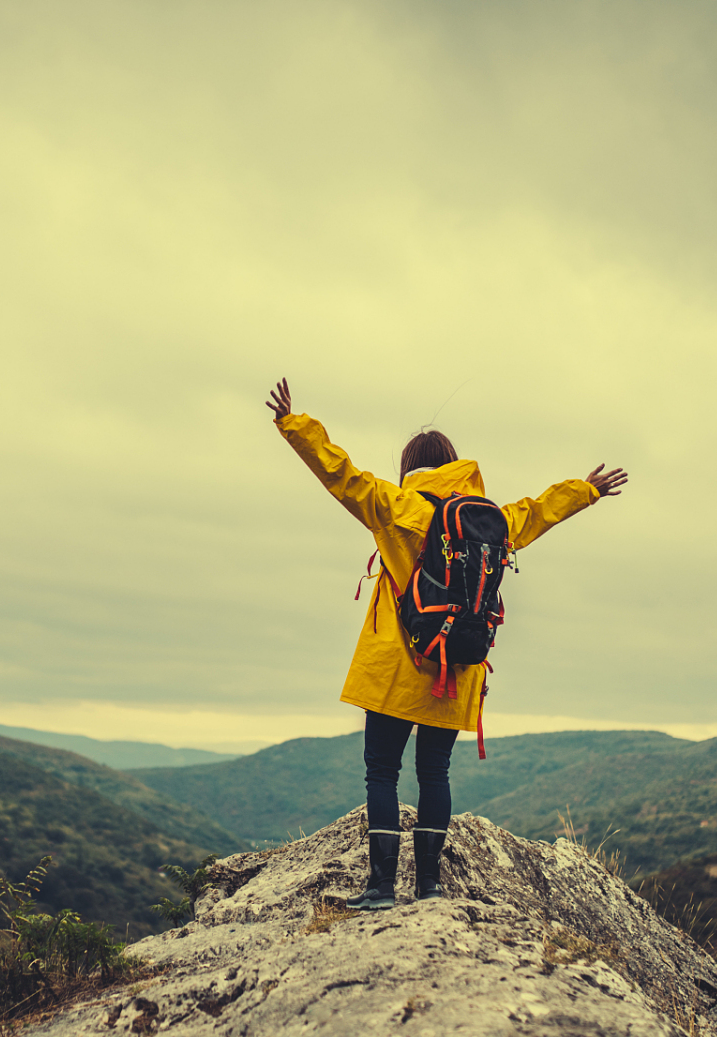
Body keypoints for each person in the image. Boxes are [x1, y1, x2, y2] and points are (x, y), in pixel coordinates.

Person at [266, 377, 628, 910]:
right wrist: (587, 489)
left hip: (398, 665)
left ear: (410, 468)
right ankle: (430, 885)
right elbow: (537, 511)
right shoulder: (489, 519)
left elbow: (340, 474)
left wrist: (294, 425)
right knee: (434, 772)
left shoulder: (398, 506)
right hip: (457, 666)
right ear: (457, 466)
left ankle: (381, 889)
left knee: (382, 772)